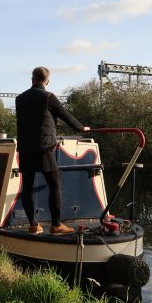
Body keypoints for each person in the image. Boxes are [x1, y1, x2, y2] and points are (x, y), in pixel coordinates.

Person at [15, 67, 90, 235]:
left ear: (32, 79)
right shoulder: (48, 97)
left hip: (25, 149)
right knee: (55, 185)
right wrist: (81, 128)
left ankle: (33, 225)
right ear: (47, 81)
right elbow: (65, 115)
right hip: (44, 148)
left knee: (27, 187)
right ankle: (56, 225)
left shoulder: (20, 99)